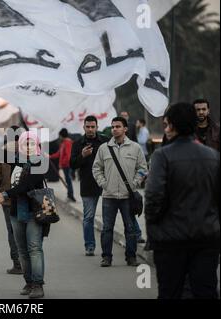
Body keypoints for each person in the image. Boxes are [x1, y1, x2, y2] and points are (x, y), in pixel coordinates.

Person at [145, 102, 220, 299]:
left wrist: (154, 229)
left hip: (171, 241)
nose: (166, 129)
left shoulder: (162, 156)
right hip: (206, 239)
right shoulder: (213, 157)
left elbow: (153, 198)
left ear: (172, 126)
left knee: (171, 292)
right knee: (205, 291)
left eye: (167, 124)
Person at [0, 131, 49, 299]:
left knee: (34, 249)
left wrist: (4, 194)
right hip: (16, 211)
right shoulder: (16, 161)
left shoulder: (40, 162)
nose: (28, 147)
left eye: (32, 143)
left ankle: (38, 285)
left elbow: (25, 186)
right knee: (22, 250)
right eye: (25, 143)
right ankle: (29, 282)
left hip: (34, 212)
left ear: (37, 146)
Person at [92, 116, 148, 267]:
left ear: (125, 129)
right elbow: (96, 168)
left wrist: (135, 183)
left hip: (127, 196)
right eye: (113, 126)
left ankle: (131, 257)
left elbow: (143, 169)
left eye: (118, 126)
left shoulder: (135, 148)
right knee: (107, 229)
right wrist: (104, 184)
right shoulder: (104, 148)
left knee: (130, 229)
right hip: (109, 196)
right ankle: (106, 257)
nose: (114, 129)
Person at [70, 116, 109, 256]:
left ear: (97, 127)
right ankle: (90, 245)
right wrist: (82, 155)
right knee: (88, 217)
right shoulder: (78, 143)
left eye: (93, 127)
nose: (90, 129)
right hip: (87, 184)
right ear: (84, 127)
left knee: (108, 219)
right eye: (88, 127)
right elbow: (72, 164)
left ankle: (107, 249)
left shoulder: (105, 141)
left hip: (106, 184)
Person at [0, 126, 23, 275]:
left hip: (8, 199)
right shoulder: (30, 150)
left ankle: (17, 264)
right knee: (26, 230)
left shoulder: (1, 153)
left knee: (12, 231)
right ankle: (28, 262)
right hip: (26, 198)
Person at [49, 128, 76, 202]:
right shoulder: (63, 143)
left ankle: (71, 195)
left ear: (62, 135)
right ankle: (69, 194)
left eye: (60, 135)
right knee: (67, 180)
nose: (59, 137)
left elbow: (68, 155)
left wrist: (63, 163)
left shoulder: (67, 143)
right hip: (65, 165)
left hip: (67, 165)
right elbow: (59, 153)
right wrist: (50, 156)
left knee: (69, 180)